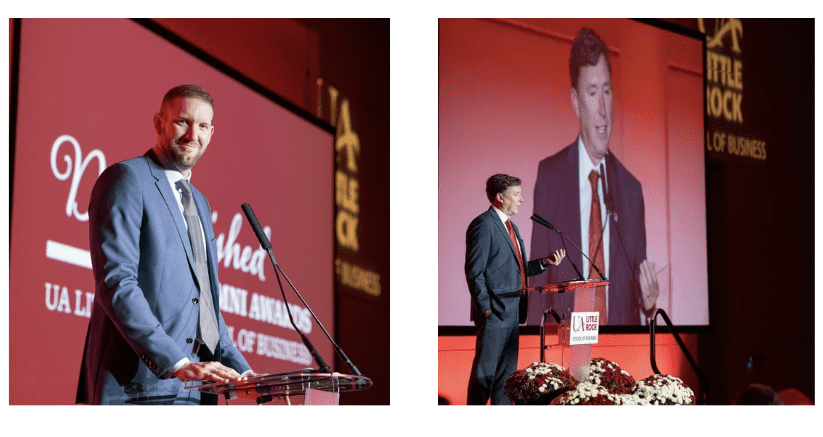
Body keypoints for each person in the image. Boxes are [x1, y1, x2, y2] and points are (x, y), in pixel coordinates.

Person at [76, 84, 256, 405]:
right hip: (137, 391)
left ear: (211, 133)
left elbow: (207, 306)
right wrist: (178, 363)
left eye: (202, 126)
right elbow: (117, 283)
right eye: (182, 121)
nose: (192, 134)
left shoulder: (199, 202)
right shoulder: (127, 178)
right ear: (159, 123)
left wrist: (243, 374)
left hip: (196, 394)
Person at [529, 28, 659, 326]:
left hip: (618, 361)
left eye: (607, 91)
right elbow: (537, 289)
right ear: (576, 101)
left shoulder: (630, 191)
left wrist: (648, 306)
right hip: (562, 360)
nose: (602, 109)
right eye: (592, 93)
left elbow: (637, 305)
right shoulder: (550, 177)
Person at [465, 174, 565, 405]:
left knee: (506, 378)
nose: (521, 199)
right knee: (485, 375)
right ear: (500, 197)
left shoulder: (513, 227)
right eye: (516, 194)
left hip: (513, 312)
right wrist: (486, 309)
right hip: (495, 313)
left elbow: (516, 269)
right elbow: (474, 271)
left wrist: (544, 263)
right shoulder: (483, 224)